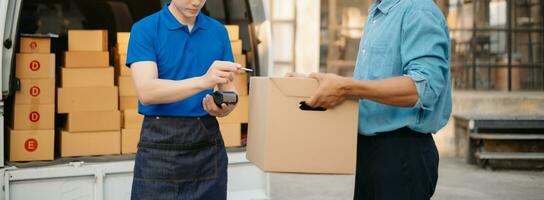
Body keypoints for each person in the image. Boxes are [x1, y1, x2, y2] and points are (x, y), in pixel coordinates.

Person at [289, 0, 451, 199]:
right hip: (369, 150)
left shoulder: (419, 11)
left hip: (402, 154)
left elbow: (422, 88)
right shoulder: (378, 12)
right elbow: (373, 84)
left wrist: (347, 87)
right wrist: (316, 85)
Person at [126, 0, 242, 199]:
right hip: (160, 141)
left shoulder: (218, 31)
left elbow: (229, 90)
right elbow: (147, 92)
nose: (196, 2)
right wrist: (204, 81)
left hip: (207, 140)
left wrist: (226, 106)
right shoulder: (145, 29)